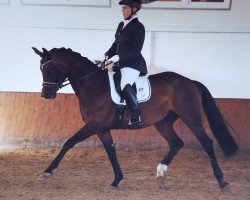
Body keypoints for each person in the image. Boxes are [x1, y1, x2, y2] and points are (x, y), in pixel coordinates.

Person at [104, 0, 147, 127]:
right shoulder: (121, 25)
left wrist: (119, 60)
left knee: (124, 84)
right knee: (111, 79)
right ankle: (120, 110)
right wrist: (107, 55)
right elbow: (116, 44)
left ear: (134, 9)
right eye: (122, 8)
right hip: (122, 62)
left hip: (133, 63)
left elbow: (136, 49)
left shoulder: (138, 27)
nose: (122, 10)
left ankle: (136, 115)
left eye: (125, 8)